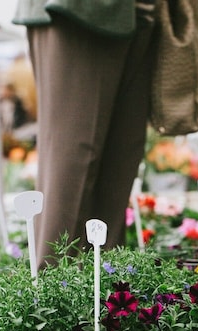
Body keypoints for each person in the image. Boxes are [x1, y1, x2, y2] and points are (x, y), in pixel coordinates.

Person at [13, 0, 159, 266]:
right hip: (76, 11)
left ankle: (108, 294)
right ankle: (50, 295)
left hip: (137, 13)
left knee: (121, 159)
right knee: (74, 159)